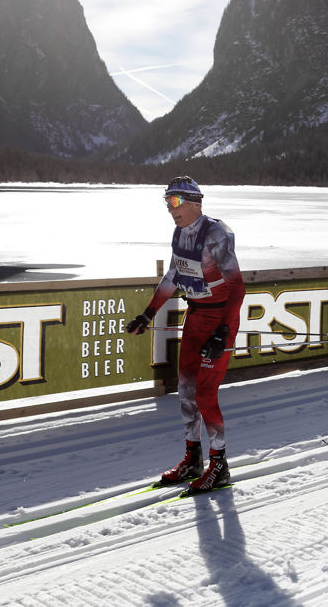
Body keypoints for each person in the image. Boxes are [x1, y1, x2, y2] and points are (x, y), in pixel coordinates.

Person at [126, 176, 246, 493]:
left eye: (176, 201)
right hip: (195, 317)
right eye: (167, 202)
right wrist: (148, 313)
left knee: (205, 395)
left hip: (220, 320)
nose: (170, 208)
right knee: (185, 391)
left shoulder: (216, 233)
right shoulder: (180, 233)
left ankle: (219, 467)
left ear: (195, 202)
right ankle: (193, 459)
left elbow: (237, 286)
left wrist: (223, 331)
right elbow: (172, 276)